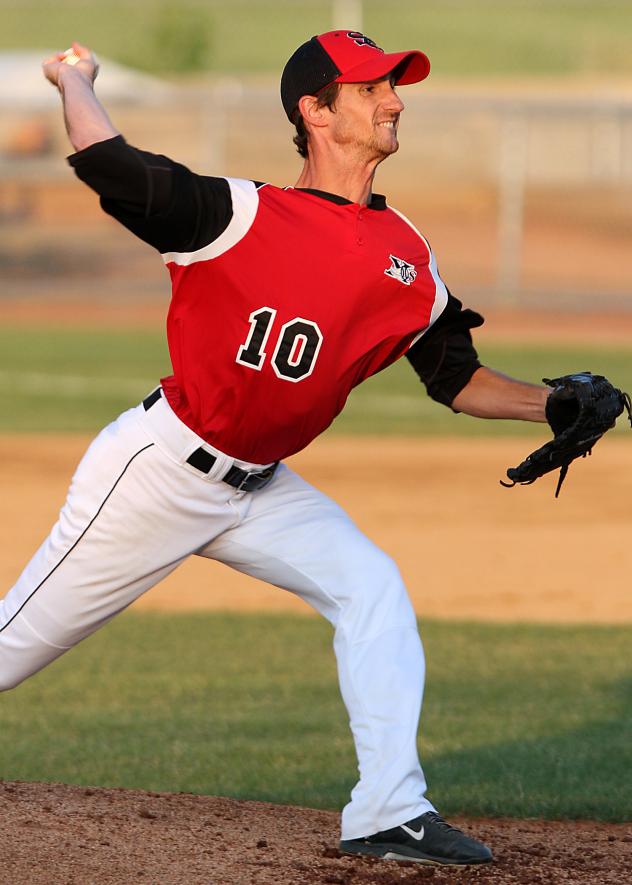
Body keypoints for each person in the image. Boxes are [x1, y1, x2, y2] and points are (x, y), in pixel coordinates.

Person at [0, 32, 550, 867]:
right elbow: (112, 166)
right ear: (316, 110)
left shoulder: (405, 252)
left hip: (260, 489)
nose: (394, 100)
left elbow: (458, 380)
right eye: (371, 89)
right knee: (12, 648)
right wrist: (74, 79)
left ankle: (387, 812)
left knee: (371, 588)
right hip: (158, 472)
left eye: (393, 87)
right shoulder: (240, 215)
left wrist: (555, 404)